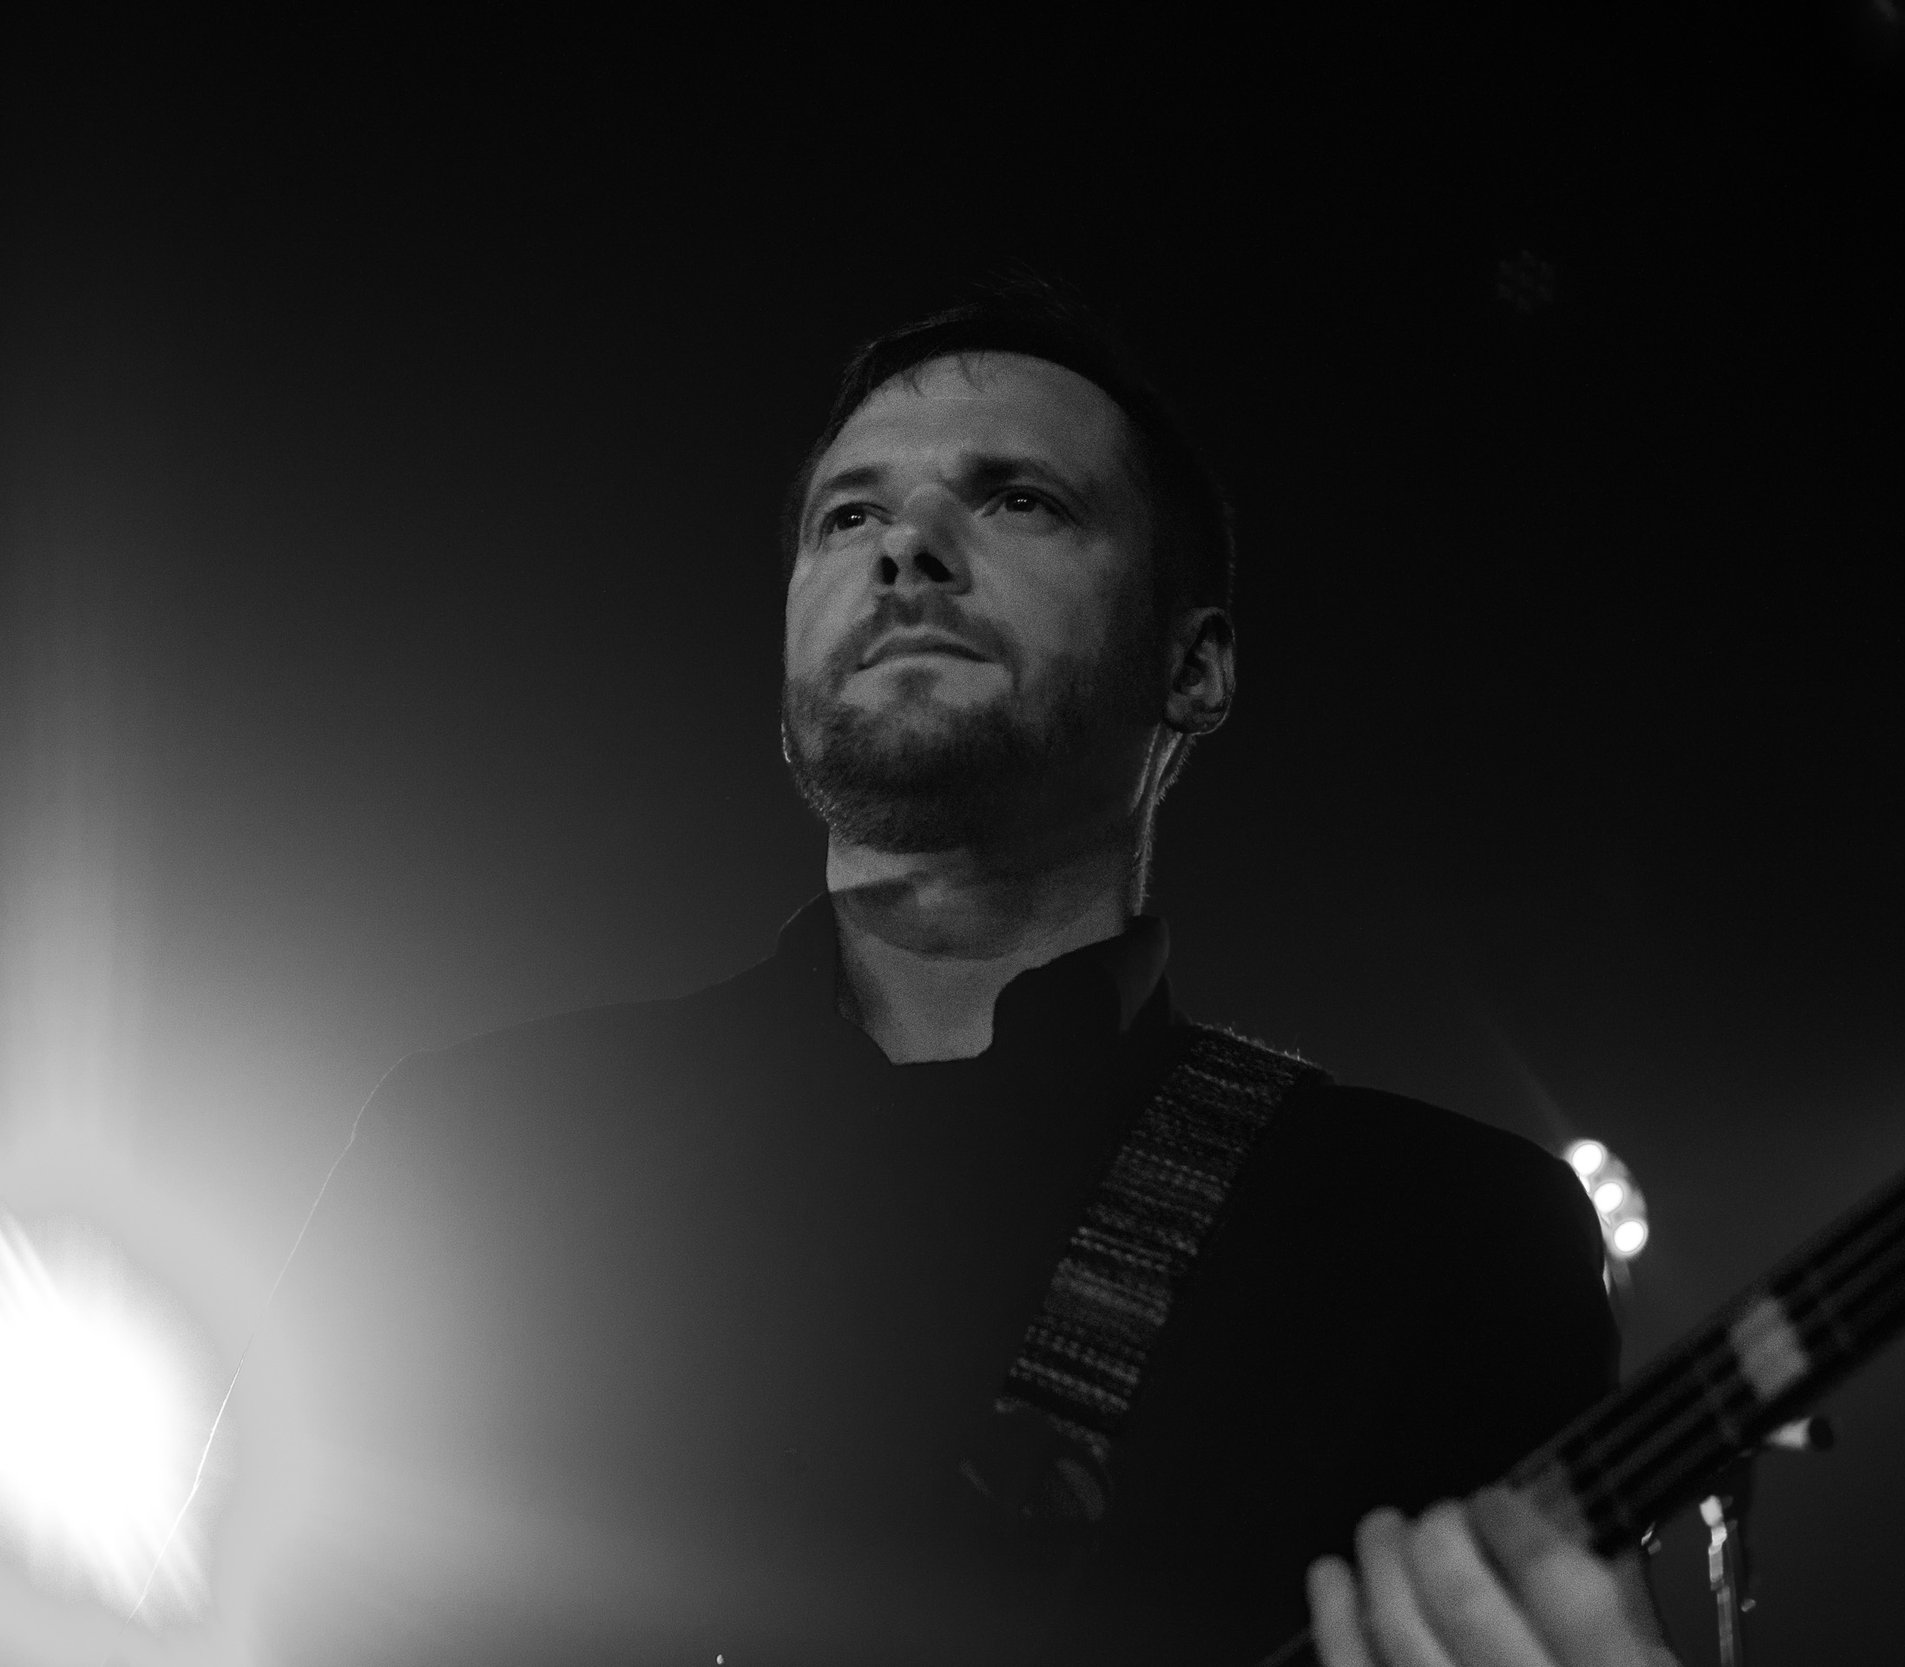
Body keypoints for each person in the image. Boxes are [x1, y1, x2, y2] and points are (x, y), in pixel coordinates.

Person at [227, 282, 1677, 1666]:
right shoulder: (479, 1144)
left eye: (1019, 499)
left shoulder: (1439, 1238)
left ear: (1195, 667)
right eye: (848, 514)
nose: (906, 547)